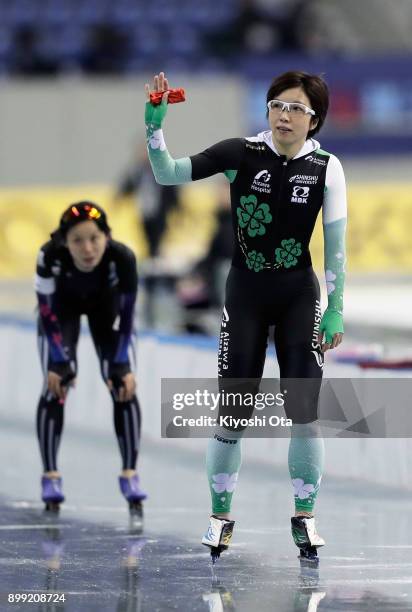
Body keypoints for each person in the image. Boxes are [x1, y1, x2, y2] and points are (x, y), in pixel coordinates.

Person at [144, 71, 346, 563]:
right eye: (277, 104)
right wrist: (155, 128)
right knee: (232, 414)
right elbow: (168, 172)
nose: (283, 115)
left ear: (314, 119)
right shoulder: (241, 153)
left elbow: (336, 248)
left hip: (299, 294)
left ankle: (305, 517)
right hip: (247, 295)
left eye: (296, 108)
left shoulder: (327, 167)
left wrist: (337, 308)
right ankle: (219, 517)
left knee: (305, 413)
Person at [35, 202, 146, 514]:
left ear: (107, 237)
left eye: (94, 239)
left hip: (106, 311)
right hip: (60, 313)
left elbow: (126, 316)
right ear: (64, 242)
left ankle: (130, 473)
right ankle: (50, 475)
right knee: (56, 383)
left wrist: (123, 363)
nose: (87, 249)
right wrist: (57, 362)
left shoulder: (122, 257)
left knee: (123, 383)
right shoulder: (48, 255)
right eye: (77, 241)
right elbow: (45, 310)